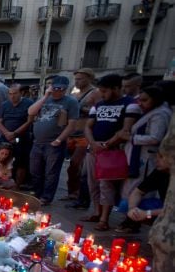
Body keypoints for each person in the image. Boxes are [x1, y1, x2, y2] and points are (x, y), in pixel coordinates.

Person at [83, 74, 140, 231]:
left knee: (107, 184)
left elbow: (125, 129)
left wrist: (107, 145)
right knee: (93, 183)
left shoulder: (130, 104)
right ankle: (96, 212)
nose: (102, 94)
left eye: (105, 91)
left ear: (116, 88)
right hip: (94, 149)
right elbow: (88, 126)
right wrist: (93, 143)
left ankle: (105, 219)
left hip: (113, 152)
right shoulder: (98, 105)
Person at [27, 75, 79, 206]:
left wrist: (59, 139)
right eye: (55, 88)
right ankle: (37, 194)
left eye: (61, 89)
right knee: (35, 170)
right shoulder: (45, 99)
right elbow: (31, 111)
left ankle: (46, 197)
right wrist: (45, 97)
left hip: (54, 143)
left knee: (51, 172)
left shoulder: (70, 102)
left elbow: (72, 124)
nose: (57, 91)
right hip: (37, 142)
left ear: (65, 89)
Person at [122, 85, 171, 196]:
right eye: (139, 100)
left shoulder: (160, 114)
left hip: (147, 159)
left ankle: (139, 212)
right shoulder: (152, 111)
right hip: (140, 156)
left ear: (155, 99)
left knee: (140, 191)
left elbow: (155, 138)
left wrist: (130, 138)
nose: (140, 103)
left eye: (144, 100)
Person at [63, 68, 100, 206]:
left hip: (84, 135)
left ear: (89, 78)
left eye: (80, 79)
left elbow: (98, 111)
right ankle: (71, 192)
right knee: (71, 167)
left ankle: (80, 196)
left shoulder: (95, 93)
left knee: (77, 164)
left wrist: (80, 109)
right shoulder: (75, 91)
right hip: (72, 133)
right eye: (76, 79)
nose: (77, 81)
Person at [115, 151, 169, 233]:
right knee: (125, 204)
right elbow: (138, 192)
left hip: (170, 211)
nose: (156, 160)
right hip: (163, 206)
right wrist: (132, 209)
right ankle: (132, 224)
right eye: (157, 156)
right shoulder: (160, 172)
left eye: (161, 157)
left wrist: (147, 213)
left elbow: (172, 210)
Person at [0, 84, 33, 189]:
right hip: (6, 136)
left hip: (20, 137)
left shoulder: (28, 103)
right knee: (3, 159)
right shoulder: (4, 105)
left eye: (15, 93)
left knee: (21, 161)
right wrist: (7, 133)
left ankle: (17, 185)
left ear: (20, 93)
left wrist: (14, 133)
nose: (12, 96)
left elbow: (29, 121)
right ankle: (3, 181)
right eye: (10, 94)